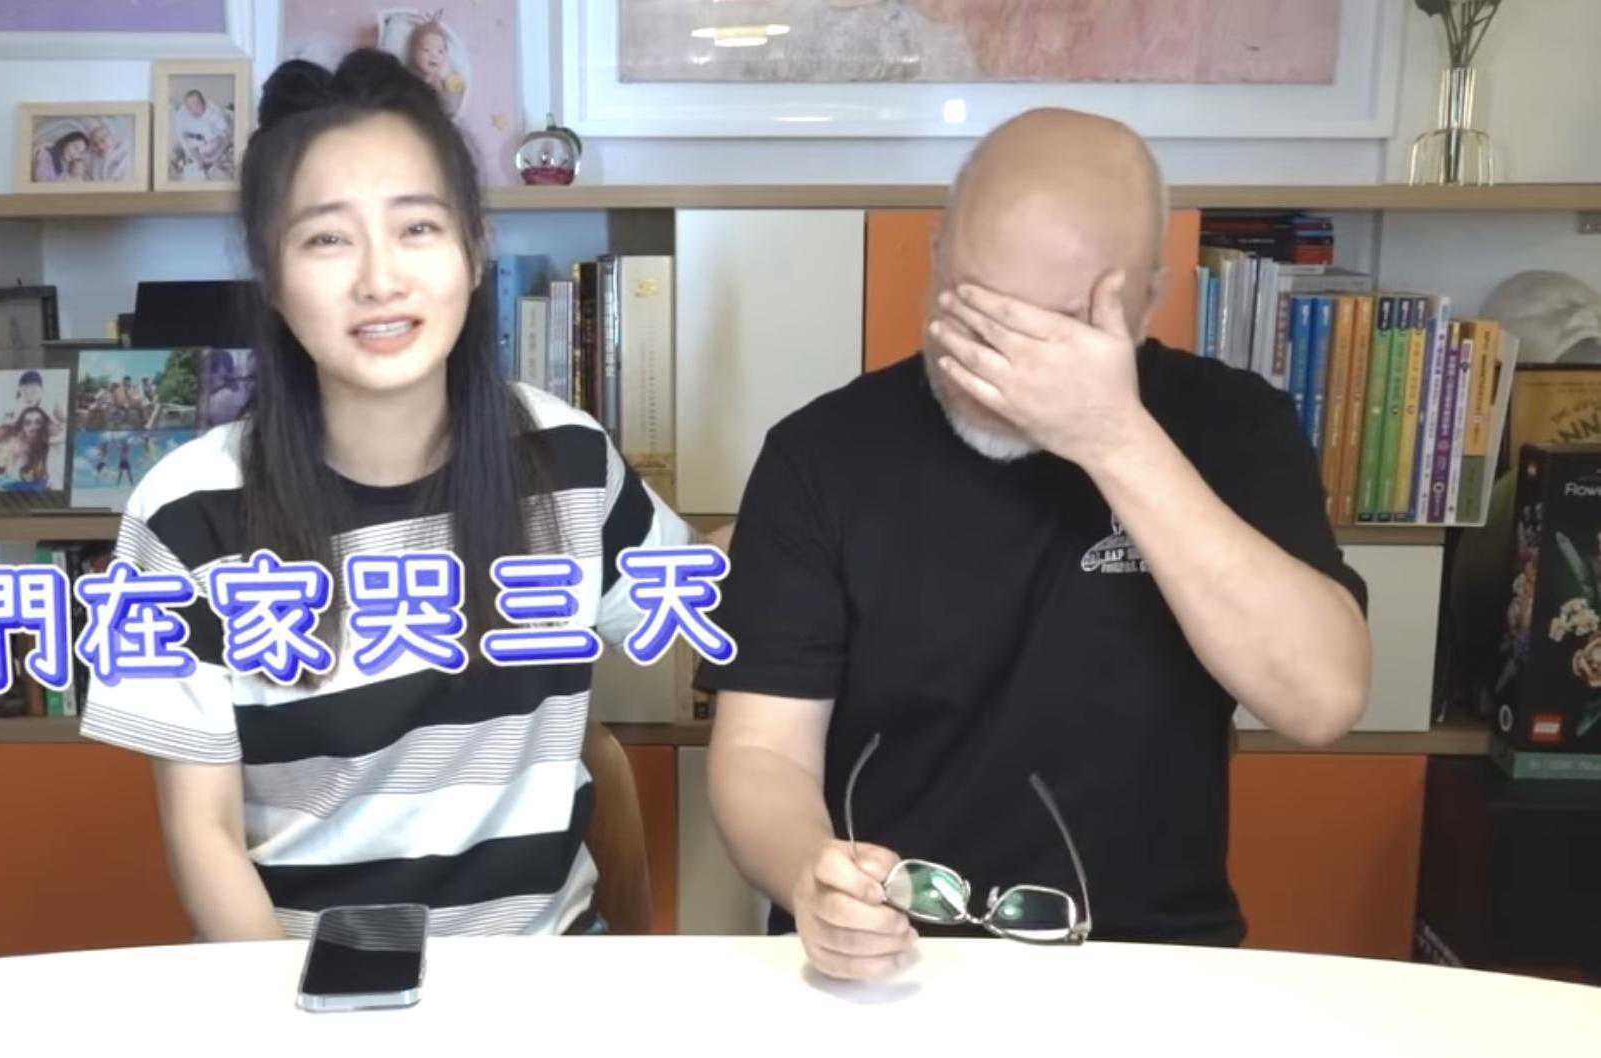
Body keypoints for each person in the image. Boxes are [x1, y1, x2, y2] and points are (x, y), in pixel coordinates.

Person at [699, 108, 1372, 980]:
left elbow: (1319, 701)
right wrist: (810, 878)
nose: (1001, 358)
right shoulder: (822, 454)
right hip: (888, 960)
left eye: (1057, 324)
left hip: (1150, 962)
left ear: (1148, 299)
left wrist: (1113, 437)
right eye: (973, 305)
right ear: (936, 255)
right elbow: (761, 750)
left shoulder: (1229, 425)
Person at [78, 50, 693, 940]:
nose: (379, 280)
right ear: (271, 274)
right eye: (327, 238)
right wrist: (297, 1010)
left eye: (417, 227)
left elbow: (702, 607)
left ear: (474, 250)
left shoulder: (564, 458)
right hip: (312, 988)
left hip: (548, 984)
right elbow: (201, 830)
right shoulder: (187, 511)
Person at [404, 19, 466, 115]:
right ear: (413, 53)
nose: (434, 55)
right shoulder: (408, 76)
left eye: (440, 51)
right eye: (426, 50)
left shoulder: (449, 80)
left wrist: (445, 82)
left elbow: (451, 109)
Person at [172, 89, 233, 181]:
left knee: (215, 144)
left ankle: (211, 162)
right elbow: (189, 133)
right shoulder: (191, 119)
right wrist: (188, 135)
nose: (193, 109)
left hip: (213, 141)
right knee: (192, 148)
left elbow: (223, 127)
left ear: (203, 103)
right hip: (200, 145)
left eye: (196, 105)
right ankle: (200, 162)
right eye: (189, 107)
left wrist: (222, 133)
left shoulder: (211, 114)